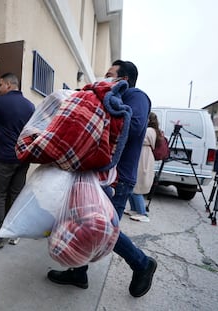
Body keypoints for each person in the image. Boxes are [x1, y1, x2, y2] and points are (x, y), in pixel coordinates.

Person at [47, 60, 158, 297]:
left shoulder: (137, 96)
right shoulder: (110, 96)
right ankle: (78, 272)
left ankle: (142, 263)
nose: (105, 79)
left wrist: (103, 110)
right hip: (98, 175)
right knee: (83, 222)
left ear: (123, 80)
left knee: (106, 230)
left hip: (118, 179)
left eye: (110, 75)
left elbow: (136, 126)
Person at [0, 72, 35, 249]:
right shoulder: (30, 106)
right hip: (23, 158)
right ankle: (14, 234)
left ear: (7, 85)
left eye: (0, 85)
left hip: (3, 157)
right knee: (17, 194)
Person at [126, 112, 160, 222]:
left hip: (144, 158)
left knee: (137, 186)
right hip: (142, 156)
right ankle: (134, 209)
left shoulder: (149, 131)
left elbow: (138, 135)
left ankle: (142, 213)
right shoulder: (151, 130)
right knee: (133, 185)